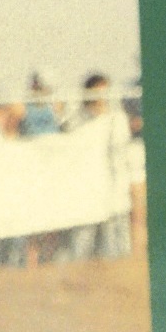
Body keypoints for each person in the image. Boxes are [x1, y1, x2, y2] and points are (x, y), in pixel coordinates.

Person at [66, 73, 135, 260]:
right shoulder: (76, 120)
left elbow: (121, 151)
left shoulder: (117, 118)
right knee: (82, 240)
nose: (101, 98)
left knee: (115, 242)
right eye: (96, 93)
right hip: (87, 191)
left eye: (105, 92)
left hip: (113, 190)